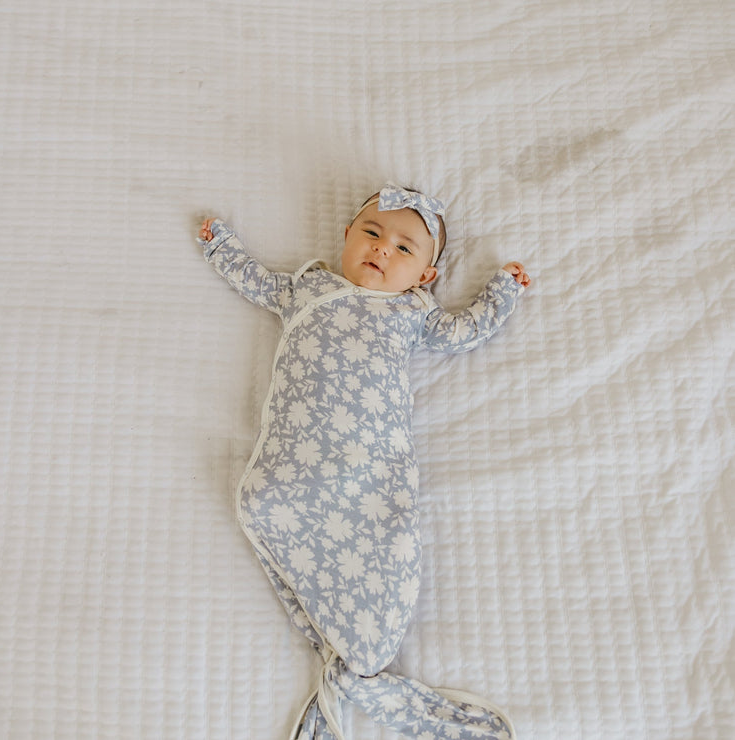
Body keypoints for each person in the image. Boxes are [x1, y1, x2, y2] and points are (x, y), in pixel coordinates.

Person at [197, 184, 529, 739]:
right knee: (268, 503)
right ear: (347, 236)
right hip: (298, 464)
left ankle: (356, 661)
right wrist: (220, 246)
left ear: (425, 277)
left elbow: (466, 330)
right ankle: (354, 664)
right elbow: (255, 279)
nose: (382, 248)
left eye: (404, 248)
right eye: (372, 233)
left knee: (392, 543)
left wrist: (503, 291)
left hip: (371, 469)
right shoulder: (307, 288)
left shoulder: (412, 313)